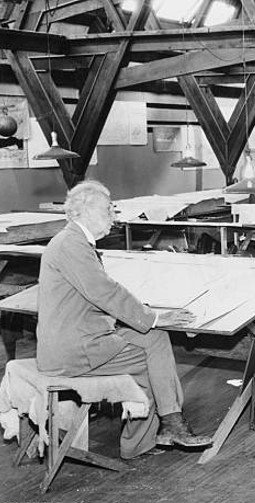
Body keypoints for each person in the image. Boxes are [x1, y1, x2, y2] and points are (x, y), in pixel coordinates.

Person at [36, 181, 212, 459]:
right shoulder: (71, 244)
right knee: (151, 364)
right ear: (85, 211)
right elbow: (104, 291)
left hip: (82, 336)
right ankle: (142, 442)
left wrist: (151, 319)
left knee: (156, 337)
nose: (113, 217)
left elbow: (99, 293)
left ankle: (170, 424)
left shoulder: (73, 241)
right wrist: (153, 315)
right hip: (74, 350)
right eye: (108, 211)